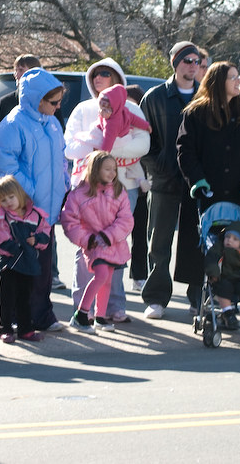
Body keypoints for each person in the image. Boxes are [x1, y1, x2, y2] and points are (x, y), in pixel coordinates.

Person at [63, 58, 150, 324]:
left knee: (116, 243)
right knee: (86, 248)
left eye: (105, 73)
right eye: (94, 75)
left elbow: (143, 143)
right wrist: (100, 153)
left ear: (118, 80)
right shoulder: (82, 109)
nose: (98, 78)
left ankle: (113, 307)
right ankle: (82, 306)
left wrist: (107, 154)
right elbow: (70, 146)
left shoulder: (133, 108)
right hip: (87, 188)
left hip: (126, 187)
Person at [0, 67, 70, 332]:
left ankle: (41, 315)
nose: (58, 106)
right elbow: (2, 165)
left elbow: (61, 160)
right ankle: (18, 318)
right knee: (19, 268)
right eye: (53, 102)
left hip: (45, 212)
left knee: (42, 268)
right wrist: (29, 193)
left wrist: (65, 183)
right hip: (20, 212)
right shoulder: (13, 124)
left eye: (60, 101)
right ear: (37, 99)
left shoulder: (53, 123)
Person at [177, 60, 240, 272]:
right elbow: (184, 150)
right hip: (207, 192)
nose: (238, 81)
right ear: (218, 82)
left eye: (238, 77)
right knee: (206, 245)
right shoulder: (195, 113)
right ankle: (201, 293)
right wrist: (197, 180)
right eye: (232, 77)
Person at [140, 41, 205, 319]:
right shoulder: (155, 97)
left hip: (197, 181)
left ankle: (196, 296)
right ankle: (156, 298)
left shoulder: (206, 95)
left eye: (197, 61)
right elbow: (142, 139)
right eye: (187, 60)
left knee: (197, 241)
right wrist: (158, 165)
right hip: (164, 180)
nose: (193, 65)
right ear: (176, 63)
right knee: (158, 241)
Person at [61, 151, 133, 333]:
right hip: (93, 245)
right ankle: (82, 314)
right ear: (94, 170)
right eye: (107, 169)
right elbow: (70, 221)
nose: (112, 173)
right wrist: (88, 239)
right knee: (100, 276)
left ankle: (100, 317)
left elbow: (126, 219)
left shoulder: (118, 191)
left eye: (114, 169)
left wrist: (110, 235)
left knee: (107, 279)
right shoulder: (79, 194)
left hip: (112, 243)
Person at [0, 175, 51, 343]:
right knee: (7, 297)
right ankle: (5, 328)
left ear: (19, 194)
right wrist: (18, 248)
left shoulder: (35, 215)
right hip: (9, 263)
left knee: (25, 297)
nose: (8, 202)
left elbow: (46, 232)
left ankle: (26, 329)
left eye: (11, 197)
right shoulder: (0, 216)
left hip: (29, 263)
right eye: (3, 200)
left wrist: (37, 240)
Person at [204, 223, 240, 331]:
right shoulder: (219, 248)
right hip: (223, 278)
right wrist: (214, 273)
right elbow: (212, 260)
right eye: (227, 237)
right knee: (223, 287)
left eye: (235, 239)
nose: (229, 240)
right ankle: (228, 313)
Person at [125, 84, 151, 291]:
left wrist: (147, 180)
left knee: (141, 234)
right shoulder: (116, 124)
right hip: (120, 187)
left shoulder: (145, 127)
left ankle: (139, 275)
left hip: (142, 188)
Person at [0, 54, 42, 122]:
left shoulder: (47, 101)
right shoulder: (5, 102)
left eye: (21, 70)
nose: (16, 75)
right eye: (15, 70)